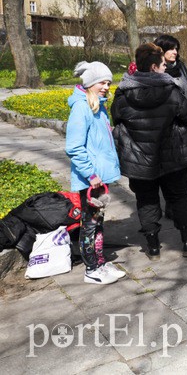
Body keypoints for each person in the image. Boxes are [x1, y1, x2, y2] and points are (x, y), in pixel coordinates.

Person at [111, 43, 187, 260]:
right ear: (153, 67)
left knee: (146, 199)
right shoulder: (172, 90)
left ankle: (153, 247)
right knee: (179, 196)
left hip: (140, 159)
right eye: (162, 65)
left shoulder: (123, 93)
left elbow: (116, 117)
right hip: (172, 156)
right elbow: (186, 114)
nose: (165, 68)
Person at [65, 61, 125, 285]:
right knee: (89, 225)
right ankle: (92, 269)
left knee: (98, 222)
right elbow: (74, 147)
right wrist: (91, 174)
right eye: (102, 82)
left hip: (99, 179)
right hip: (90, 180)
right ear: (90, 82)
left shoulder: (97, 106)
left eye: (108, 83)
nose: (106, 87)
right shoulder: (82, 108)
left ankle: (100, 262)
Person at [154, 35, 187, 136]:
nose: (175, 52)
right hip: (162, 126)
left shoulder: (181, 66)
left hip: (184, 122)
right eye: (171, 49)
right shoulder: (154, 69)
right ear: (161, 49)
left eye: (176, 49)